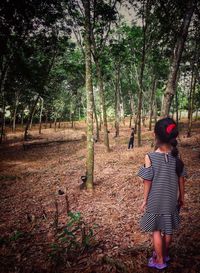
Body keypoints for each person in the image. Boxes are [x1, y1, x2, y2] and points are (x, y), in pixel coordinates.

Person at [137, 117, 186, 270]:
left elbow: (147, 181)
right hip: (171, 198)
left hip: (155, 200)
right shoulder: (176, 157)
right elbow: (182, 180)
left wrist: (145, 200)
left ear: (155, 135)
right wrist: (181, 197)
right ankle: (164, 254)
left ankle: (159, 260)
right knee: (168, 228)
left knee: (156, 230)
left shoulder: (150, 157)